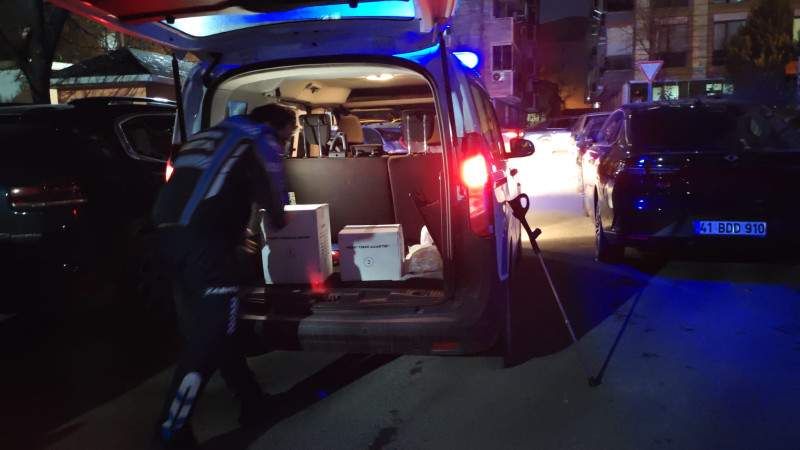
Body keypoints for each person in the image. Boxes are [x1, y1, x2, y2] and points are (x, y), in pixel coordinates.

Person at [150, 104, 296, 448]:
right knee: (213, 333)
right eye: (288, 135)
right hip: (204, 245)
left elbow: (201, 189)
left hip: (165, 237)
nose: (285, 143)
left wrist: (232, 231)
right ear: (274, 126)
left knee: (215, 328)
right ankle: (170, 432)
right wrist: (283, 219)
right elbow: (276, 203)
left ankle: (251, 401)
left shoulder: (210, 135)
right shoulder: (260, 138)